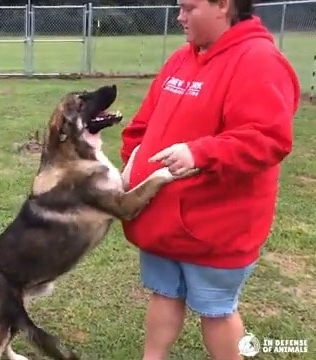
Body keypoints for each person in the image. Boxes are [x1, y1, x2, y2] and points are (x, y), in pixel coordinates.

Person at [119, 0, 300, 359]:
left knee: (216, 310)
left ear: (223, 6)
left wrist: (200, 153)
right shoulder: (182, 59)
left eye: (188, 8)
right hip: (162, 220)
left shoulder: (258, 60)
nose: (179, 16)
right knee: (164, 293)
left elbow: (267, 138)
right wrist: (133, 157)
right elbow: (143, 125)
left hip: (214, 228)